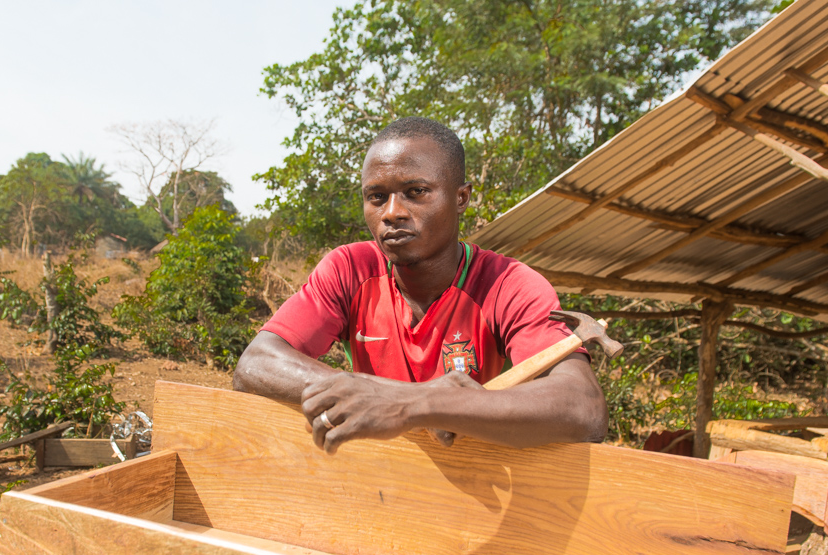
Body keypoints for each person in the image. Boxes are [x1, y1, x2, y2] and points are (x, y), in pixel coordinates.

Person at [233, 117, 607, 454]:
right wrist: (399, 398)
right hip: (376, 481)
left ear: (460, 198)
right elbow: (256, 363)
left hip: (479, 481)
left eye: (416, 192)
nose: (392, 211)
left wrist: (414, 406)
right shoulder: (350, 268)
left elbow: (583, 407)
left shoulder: (508, 285)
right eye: (376, 197)